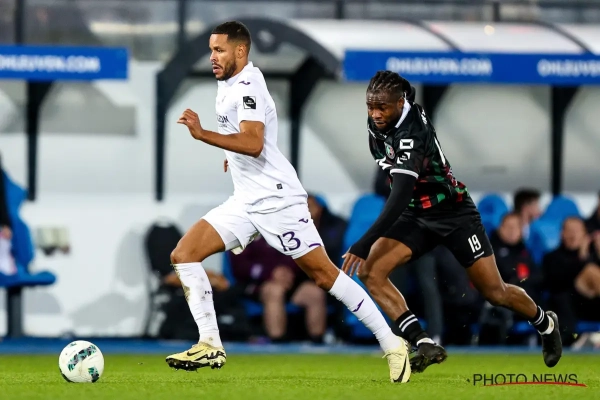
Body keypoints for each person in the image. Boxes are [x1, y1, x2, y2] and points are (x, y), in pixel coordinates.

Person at [165, 22, 410, 383]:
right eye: (211, 50)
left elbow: (254, 143)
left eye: (219, 50)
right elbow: (246, 142)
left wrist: (204, 135)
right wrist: (232, 157)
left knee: (324, 275)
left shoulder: (247, 86)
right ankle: (210, 344)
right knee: (184, 254)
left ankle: (393, 344)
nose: (212, 57)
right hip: (246, 200)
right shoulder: (229, 84)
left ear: (240, 51)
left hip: (277, 200)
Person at [341, 70, 562, 373]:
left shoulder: (411, 134)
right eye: (370, 106)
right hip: (417, 215)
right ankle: (422, 341)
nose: (375, 114)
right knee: (371, 272)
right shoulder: (389, 113)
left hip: (454, 213)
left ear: (400, 103)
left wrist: (364, 242)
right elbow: (404, 95)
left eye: (382, 107)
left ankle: (546, 323)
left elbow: (400, 194)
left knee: (495, 292)